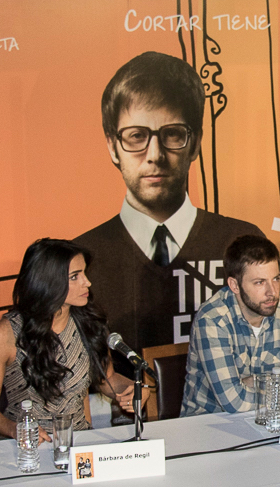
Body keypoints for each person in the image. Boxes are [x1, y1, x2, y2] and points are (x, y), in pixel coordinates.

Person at [75, 52, 262, 352]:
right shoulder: (80, 259)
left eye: (172, 134)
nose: (155, 154)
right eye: (136, 136)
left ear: (196, 143)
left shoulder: (241, 241)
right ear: (112, 147)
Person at [0, 239, 136, 439]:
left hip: (79, 441)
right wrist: (14, 429)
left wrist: (133, 389)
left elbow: (107, 379)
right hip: (25, 448)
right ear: (48, 281)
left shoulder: (89, 323)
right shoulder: (4, 334)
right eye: (75, 277)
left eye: (84, 273)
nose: (87, 282)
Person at [181, 235, 280, 416]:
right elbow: (234, 402)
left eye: (275, 279)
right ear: (234, 285)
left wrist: (258, 381)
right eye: (259, 282)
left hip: (267, 418)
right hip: (208, 425)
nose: (272, 292)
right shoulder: (212, 319)